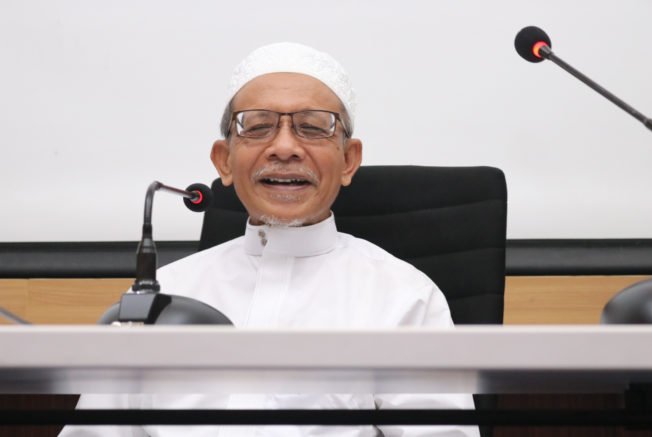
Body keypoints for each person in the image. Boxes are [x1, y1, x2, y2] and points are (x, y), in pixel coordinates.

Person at [60, 42, 479, 437]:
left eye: (312, 127)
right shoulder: (163, 296)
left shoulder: (404, 297)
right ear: (224, 161)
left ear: (349, 160)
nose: (284, 147)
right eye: (258, 127)